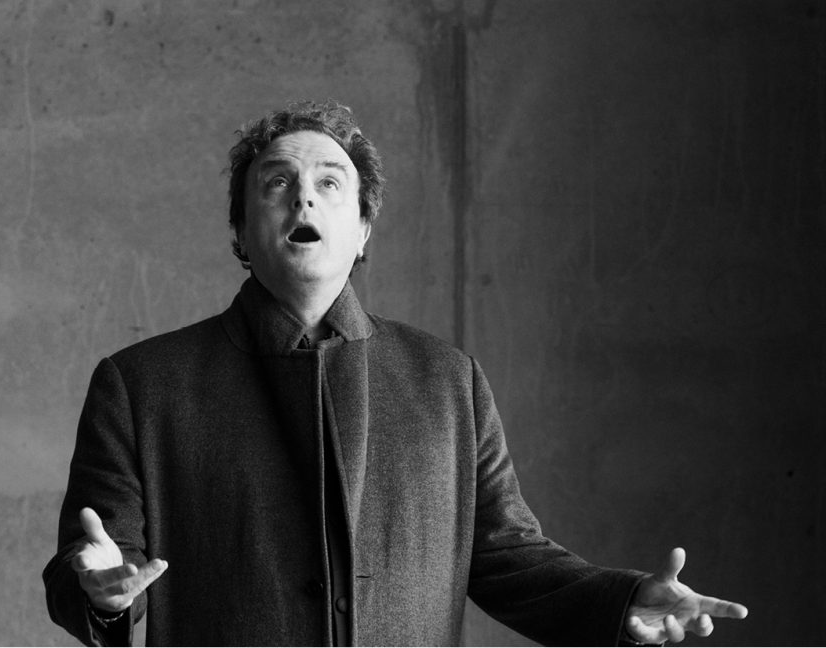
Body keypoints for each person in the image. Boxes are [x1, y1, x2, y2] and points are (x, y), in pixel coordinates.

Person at [42, 101, 747, 646]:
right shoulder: (141, 384)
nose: (304, 198)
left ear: (363, 231)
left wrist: (623, 602)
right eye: (277, 182)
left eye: (329, 183)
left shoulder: (447, 381)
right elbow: (99, 560)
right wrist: (100, 590)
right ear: (239, 233)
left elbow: (507, 557)